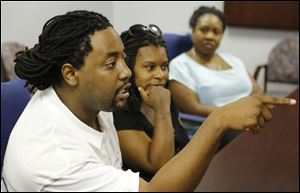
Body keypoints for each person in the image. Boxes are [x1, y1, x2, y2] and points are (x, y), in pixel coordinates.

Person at [1, 10, 296, 192]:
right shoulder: (55, 160)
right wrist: (216, 121)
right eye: (111, 63)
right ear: (70, 73)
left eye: (124, 60)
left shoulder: (86, 100)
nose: (127, 72)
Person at [113, 24, 190, 181]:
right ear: (128, 68)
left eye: (164, 66)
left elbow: (184, 146)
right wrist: (162, 110)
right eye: (150, 67)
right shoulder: (120, 111)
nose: (160, 75)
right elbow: (159, 166)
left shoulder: (163, 95)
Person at [169, 6, 262, 117]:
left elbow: (257, 92)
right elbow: (194, 108)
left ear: (221, 35)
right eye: (204, 30)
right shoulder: (180, 66)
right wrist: (236, 114)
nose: (209, 36)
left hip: (250, 118)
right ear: (193, 31)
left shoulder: (233, 60)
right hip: (217, 126)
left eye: (216, 32)